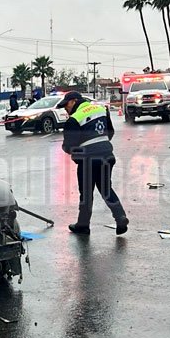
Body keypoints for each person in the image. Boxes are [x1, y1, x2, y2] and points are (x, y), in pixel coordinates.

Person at [56, 91, 128, 235]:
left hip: (88, 160)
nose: (66, 110)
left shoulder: (74, 119)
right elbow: (110, 132)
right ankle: (120, 217)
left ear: (73, 101)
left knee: (86, 194)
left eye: (66, 106)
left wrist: (76, 154)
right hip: (107, 155)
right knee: (106, 189)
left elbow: (69, 145)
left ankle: (83, 225)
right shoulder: (101, 110)